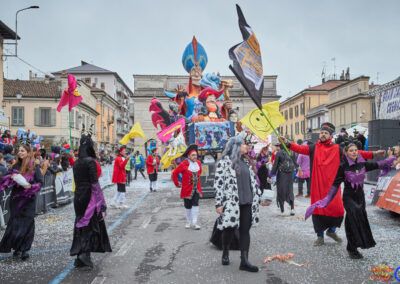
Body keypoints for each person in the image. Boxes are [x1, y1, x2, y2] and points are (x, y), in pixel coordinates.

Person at [280, 122, 385, 246]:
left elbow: (356, 154)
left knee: (338, 211)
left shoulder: (338, 149)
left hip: (332, 187)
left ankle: (331, 231)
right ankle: (320, 237)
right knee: (318, 211)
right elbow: (299, 148)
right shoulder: (313, 147)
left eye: (326, 133)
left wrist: (374, 154)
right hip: (317, 186)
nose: (323, 135)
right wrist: (287, 142)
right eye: (322, 133)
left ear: (330, 136)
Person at [305, 143, 396, 259]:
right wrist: (326, 200)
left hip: (360, 198)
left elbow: (380, 164)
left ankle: (354, 246)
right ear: (346, 153)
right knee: (352, 219)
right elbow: (335, 185)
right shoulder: (342, 166)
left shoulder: (363, 163)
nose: (354, 152)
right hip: (349, 198)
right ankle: (352, 249)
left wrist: (391, 157)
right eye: (351, 150)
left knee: (360, 220)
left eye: (356, 150)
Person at [214, 135, 271, 272]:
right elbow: (218, 184)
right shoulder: (225, 162)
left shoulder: (246, 162)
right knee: (229, 229)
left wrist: (260, 198)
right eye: (243, 144)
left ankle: (244, 261)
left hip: (247, 201)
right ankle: (225, 251)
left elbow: (253, 183)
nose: (246, 146)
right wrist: (218, 204)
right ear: (236, 146)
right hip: (232, 202)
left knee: (245, 231)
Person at [71, 126, 111, 268]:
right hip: (89, 197)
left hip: (78, 197)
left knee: (80, 223)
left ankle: (80, 255)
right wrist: (101, 201)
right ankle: (84, 254)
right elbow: (94, 183)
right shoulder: (90, 162)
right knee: (89, 224)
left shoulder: (76, 163)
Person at [0, 143, 43, 260]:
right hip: (16, 200)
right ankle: (17, 248)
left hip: (28, 201)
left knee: (27, 224)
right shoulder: (15, 166)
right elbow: (4, 181)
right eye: (19, 150)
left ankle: (24, 249)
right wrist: (10, 178)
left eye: (22, 151)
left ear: (29, 153)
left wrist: (31, 186)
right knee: (16, 224)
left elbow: (40, 182)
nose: (20, 152)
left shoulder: (34, 167)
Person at [172, 144, 202, 229]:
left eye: (196, 155)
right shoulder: (183, 164)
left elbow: (199, 173)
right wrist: (177, 183)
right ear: (188, 156)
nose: (195, 156)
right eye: (193, 155)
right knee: (188, 206)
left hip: (197, 189)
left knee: (195, 204)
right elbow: (175, 173)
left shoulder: (199, 163)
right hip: (186, 189)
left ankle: (195, 222)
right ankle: (188, 221)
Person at [269, 143, 295, 216]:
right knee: (290, 190)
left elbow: (275, 166)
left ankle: (282, 209)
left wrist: (270, 175)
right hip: (290, 174)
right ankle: (292, 208)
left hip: (282, 174)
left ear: (280, 147)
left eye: (277, 146)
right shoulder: (291, 152)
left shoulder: (279, 153)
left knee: (281, 190)